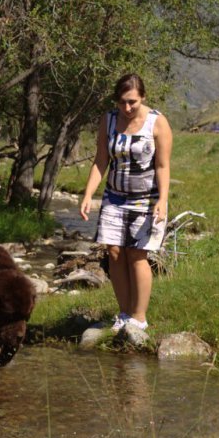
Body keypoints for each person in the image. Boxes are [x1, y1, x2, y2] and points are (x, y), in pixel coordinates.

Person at [80, 73, 173, 331]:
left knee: (137, 253)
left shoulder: (158, 123)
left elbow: (163, 165)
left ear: (142, 97)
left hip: (146, 199)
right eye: (122, 102)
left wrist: (163, 200)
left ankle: (139, 318)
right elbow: (101, 160)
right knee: (114, 252)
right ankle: (123, 314)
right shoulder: (108, 120)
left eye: (132, 101)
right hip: (114, 197)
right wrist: (88, 194)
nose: (127, 108)